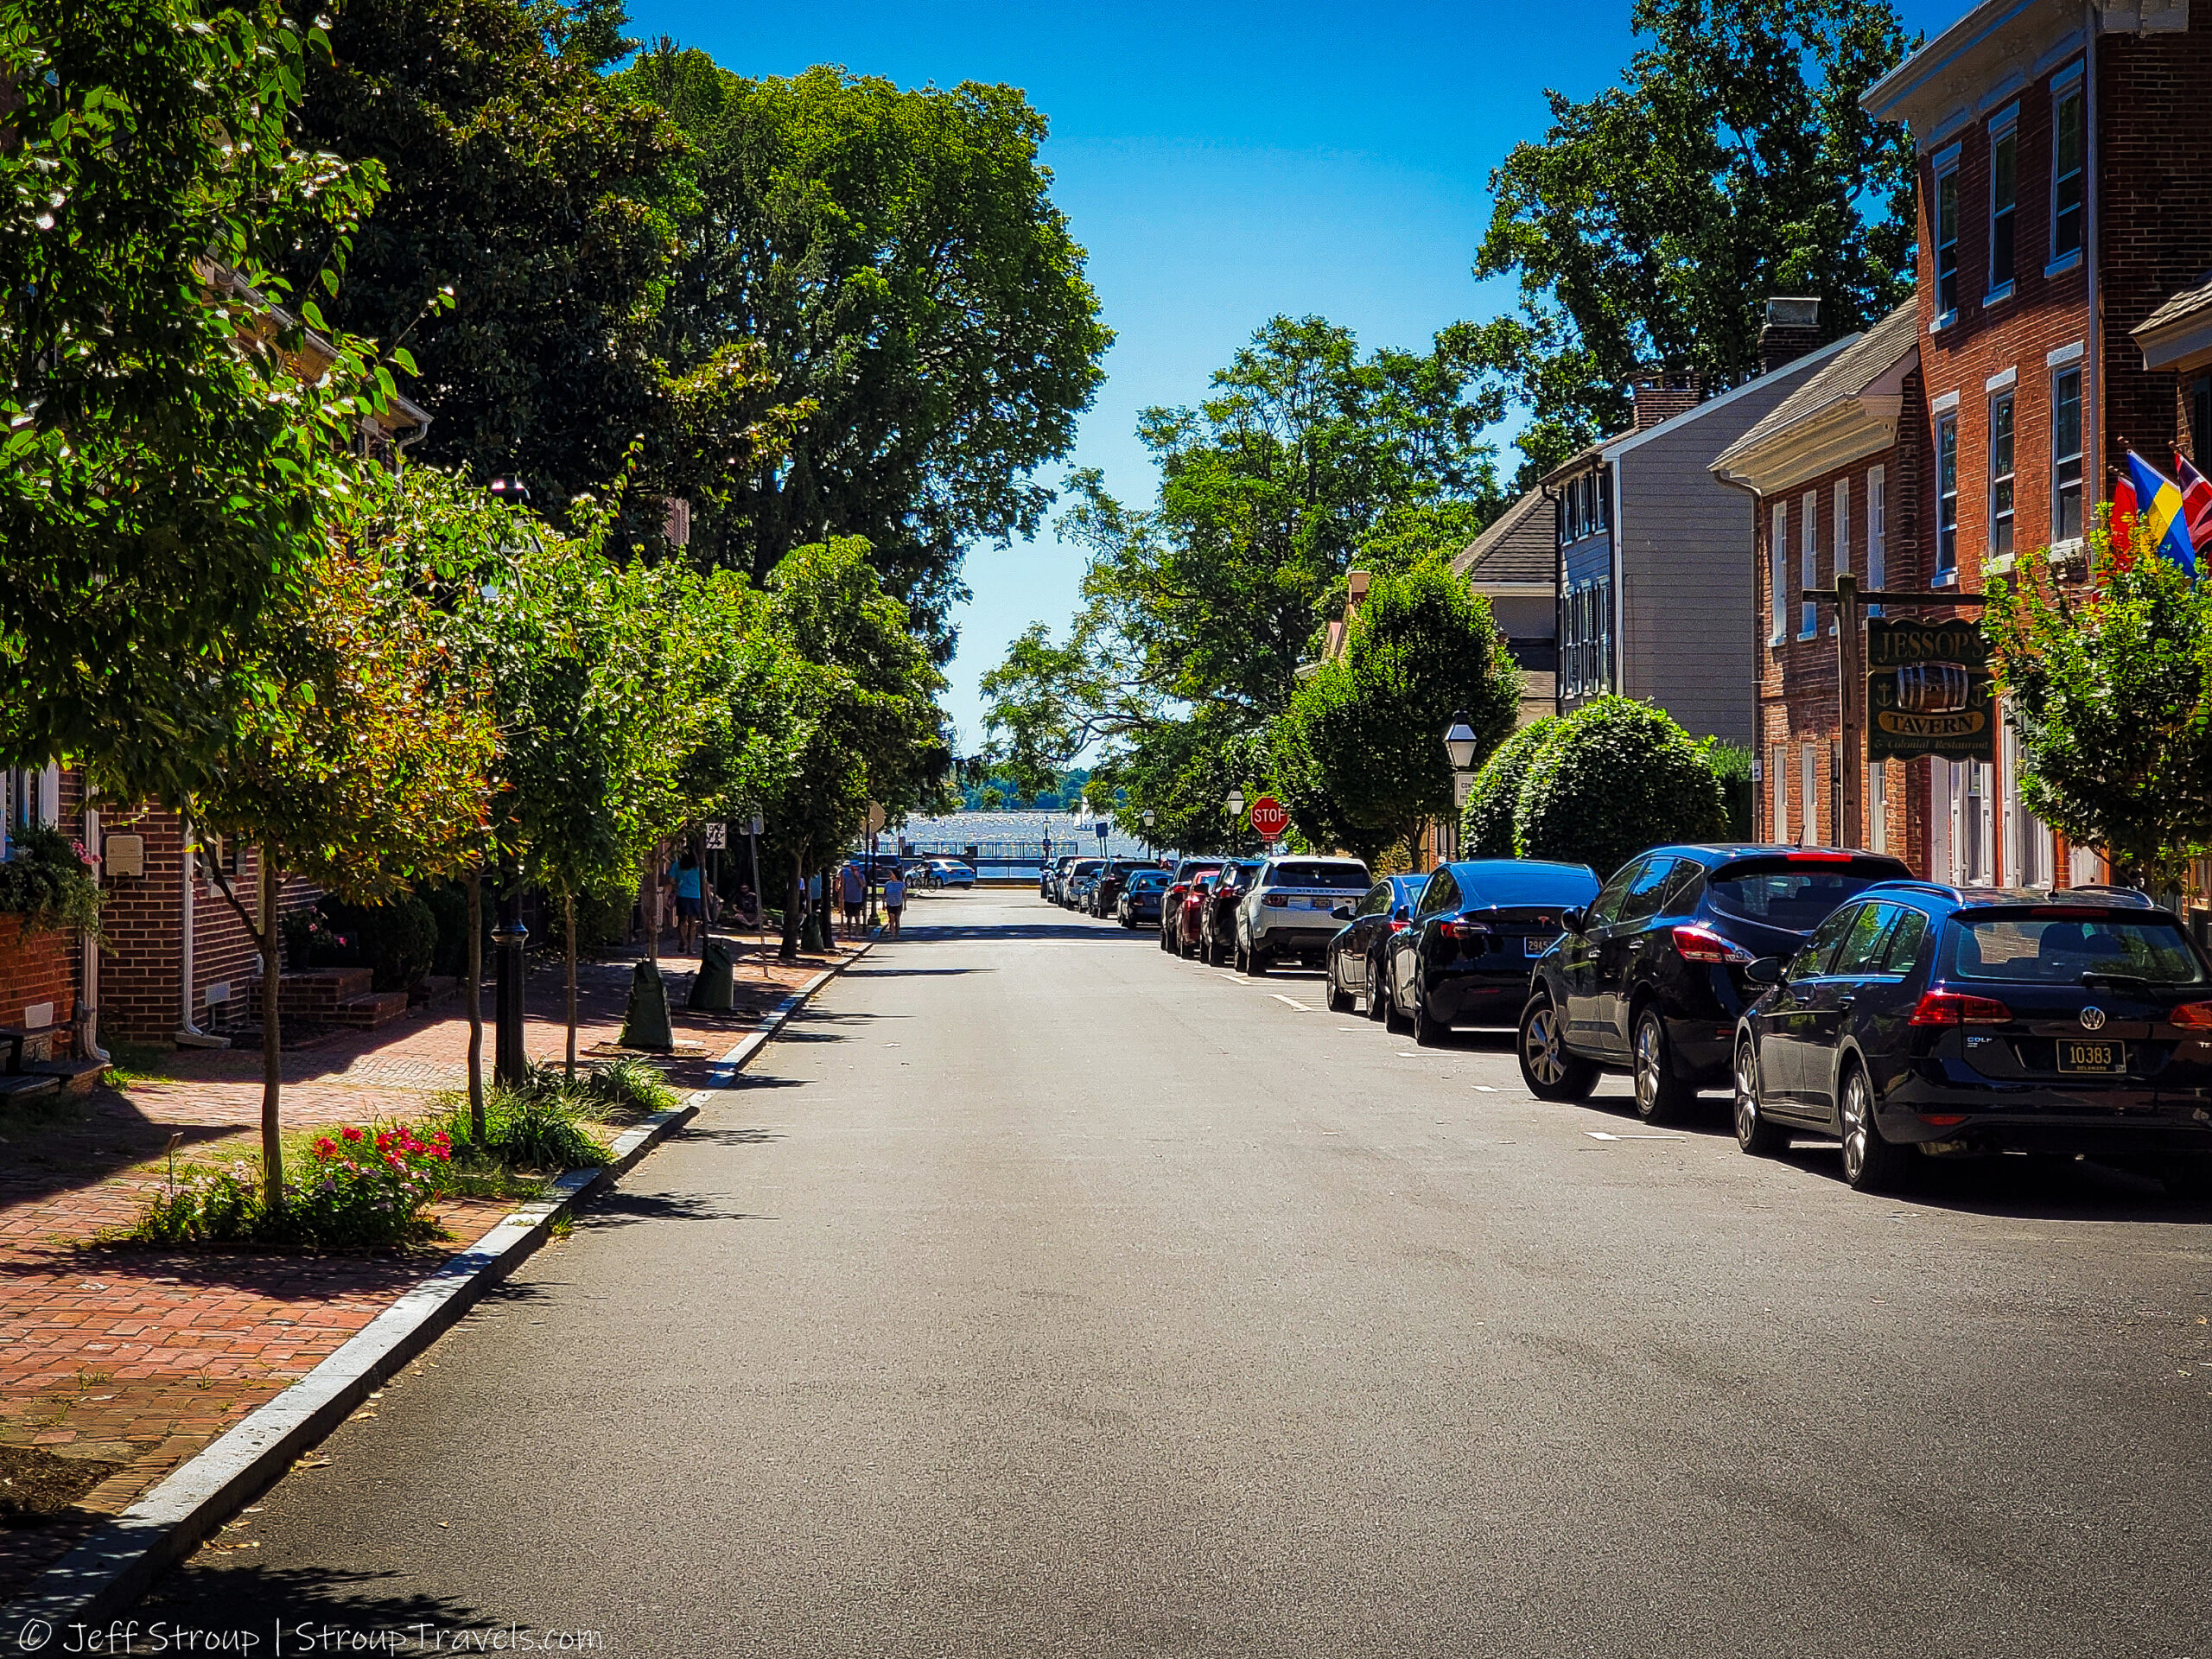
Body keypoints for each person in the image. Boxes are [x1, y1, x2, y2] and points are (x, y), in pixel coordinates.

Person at [668, 849, 704, 954]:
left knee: (682, 920)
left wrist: (677, 885)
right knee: (692, 923)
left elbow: (671, 879)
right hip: (695, 896)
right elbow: (704, 880)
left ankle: (683, 941)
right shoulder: (699, 867)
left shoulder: (677, 864)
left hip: (682, 895)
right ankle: (691, 947)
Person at [840, 861, 865, 937]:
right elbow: (842, 886)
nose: (856, 869)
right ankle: (849, 932)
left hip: (857, 899)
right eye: (854, 867)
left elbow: (863, 885)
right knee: (849, 917)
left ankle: (857, 931)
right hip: (848, 899)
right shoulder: (846, 875)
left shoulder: (861, 875)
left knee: (857, 916)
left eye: (857, 867)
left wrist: (858, 877)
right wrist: (841, 896)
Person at [883, 870, 906, 938]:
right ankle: (892, 934)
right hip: (890, 904)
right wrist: (883, 904)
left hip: (898, 904)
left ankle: (897, 934)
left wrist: (905, 905)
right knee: (891, 920)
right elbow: (884, 894)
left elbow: (904, 895)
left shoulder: (901, 884)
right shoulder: (887, 884)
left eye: (892, 874)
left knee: (897, 919)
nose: (890, 875)